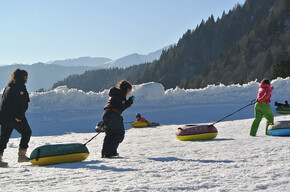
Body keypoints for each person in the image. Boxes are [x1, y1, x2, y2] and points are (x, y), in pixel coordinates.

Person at [0, 69, 32, 166]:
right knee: (27, 132)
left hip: (4, 116)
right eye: (26, 76)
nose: (27, 78)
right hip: (14, 117)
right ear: (23, 77)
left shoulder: (9, 86)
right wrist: (18, 116)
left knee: (4, 137)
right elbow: (20, 103)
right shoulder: (20, 88)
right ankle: (21, 155)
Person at [101, 80, 134, 158]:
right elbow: (121, 108)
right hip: (114, 115)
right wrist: (129, 102)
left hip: (106, 114)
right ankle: (110, 152)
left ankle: (105, 153)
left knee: (110, 134)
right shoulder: (121, 95)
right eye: (130, 91)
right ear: (127, 90)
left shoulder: (115, 94)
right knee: (119, 134)